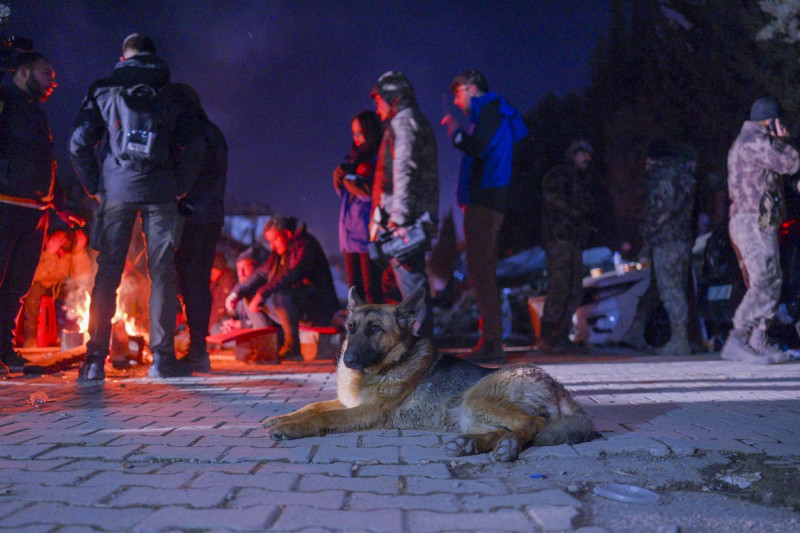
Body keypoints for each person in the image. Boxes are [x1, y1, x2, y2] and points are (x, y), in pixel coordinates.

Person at [69, 34, 205, 380]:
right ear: (153, 56)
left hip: (116, 190)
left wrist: (96, 188)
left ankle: (95, 361)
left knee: (108, 273)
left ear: (124, 56)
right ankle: (162, 360)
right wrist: (179, 188)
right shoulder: (175, 93)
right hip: (161, 192)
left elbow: (78, 144)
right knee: (161, 274)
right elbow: (197, 146)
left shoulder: (104, 89)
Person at [0, 52, 84, 375]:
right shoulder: (6, 102)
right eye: (46, 73)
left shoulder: (36, 114)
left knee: (18, 286)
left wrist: (61, 205)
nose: (54, 81)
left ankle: (6, 350)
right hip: (6, 204)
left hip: (36, 212)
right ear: (22, 72)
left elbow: (46, 165)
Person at [441, 69, 528, 362]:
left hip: (485, 201)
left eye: (457, 93)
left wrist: (455, 132)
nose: (456, 101)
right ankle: (490, 340)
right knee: (481, 270)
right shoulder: (490, 111)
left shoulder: (490, 108)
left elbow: (478, 148)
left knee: (481, 270)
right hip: (486, 200)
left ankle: (492, 343)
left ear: (470, 87)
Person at [721, 96, 800, 364]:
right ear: (772, 121)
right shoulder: (754, 140)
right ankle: (739, 339)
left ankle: (758, 339)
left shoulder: (751, 140)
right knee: (765, 280)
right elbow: (790, 163)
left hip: (758, 221)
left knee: (769, 280)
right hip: (751, 220)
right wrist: (785, 141)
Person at [369, 71, 439, 337]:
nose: (377, 109)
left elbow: (404, 170)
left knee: (411, 289)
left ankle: (420, 358)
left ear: (393, 98)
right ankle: (409, 353)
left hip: (405, 222)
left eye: (379, 101)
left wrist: (398, 219)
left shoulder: (404, 123)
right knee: (402, 287)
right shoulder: (409, 122)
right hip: (410, 217)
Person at [225, 215, 339, 360]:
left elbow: (292, 274)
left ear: (287, 234)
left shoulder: (306, 245)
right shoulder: (279, 252)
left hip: (316, 308)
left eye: (274, 240)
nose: (272, 246)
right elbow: (261, 274)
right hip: (294, 307)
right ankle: (267, 346)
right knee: (250, 294)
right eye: (269, 242)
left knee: (280, 296)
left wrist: (262, 293)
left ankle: (292, 348)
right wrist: (236, 293)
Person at [174, 83, 228, 373]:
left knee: (191, 282)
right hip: (210, 215)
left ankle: (196, 350)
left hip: (194, 216)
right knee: (198, 282)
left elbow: (189, 176)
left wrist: (177, 195)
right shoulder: (213, 131)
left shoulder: (192, 132)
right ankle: (198, 348)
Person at [624, 139, 696, 355]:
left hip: (667, 242)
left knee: (671, 291)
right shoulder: (684, 176)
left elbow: (661, 212)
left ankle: (680, 340)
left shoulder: (665, 177)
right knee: (656, 289)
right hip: (677, 240)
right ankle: (634, 332)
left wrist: (646, 232)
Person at [538, 139, 595, 353]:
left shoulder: (582, 179)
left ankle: (561, 336)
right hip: (559, 239)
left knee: (574, 289)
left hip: (574, 241)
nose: (587, 158)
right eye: (582, 153)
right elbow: (553, 199)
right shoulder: (559, 175)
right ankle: (546, 337)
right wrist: (575, 212)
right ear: (572, 154)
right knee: (559, 287)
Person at [333, 110, 384, 304]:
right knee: (354, 292)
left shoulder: (377, 157)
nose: (356, 138)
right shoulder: (353, 160)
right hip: (348, 234)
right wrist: (340, 180)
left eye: (359, 133)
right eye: (353, 134)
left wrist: (351, 183)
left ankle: (378, 332)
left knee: (372, 290)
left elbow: (372, 193)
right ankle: (361, 332)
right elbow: (346, 196)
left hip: (366, 233)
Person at [210, 250, 265, 335]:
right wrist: (227, 323)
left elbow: (263, 325)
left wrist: (240, 324)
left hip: (256, 333)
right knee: (216, 329)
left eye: (245, 268)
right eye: (239, 269)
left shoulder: (262, 291)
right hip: (240, 330)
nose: (241, 273)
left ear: (255, 268)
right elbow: (230, 313)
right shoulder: (237, 290)